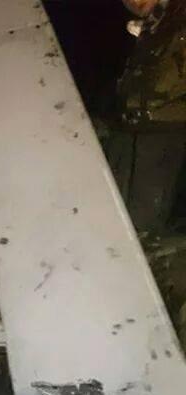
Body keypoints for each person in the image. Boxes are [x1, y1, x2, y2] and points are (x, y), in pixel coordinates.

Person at [102, 0, 186, 233]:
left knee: (145, 210)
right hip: (133, 124)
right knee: (113, 201)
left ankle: (145, 239)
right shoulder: (154, 23)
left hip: (165, 125)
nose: (134, 3)